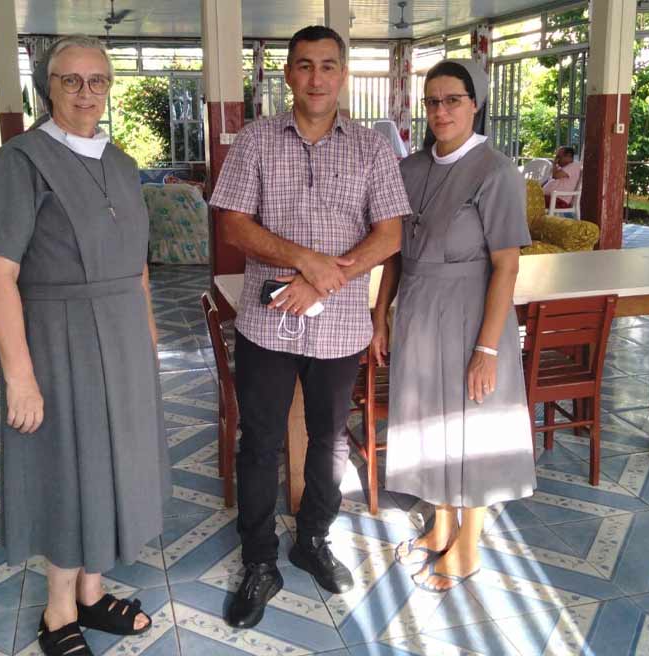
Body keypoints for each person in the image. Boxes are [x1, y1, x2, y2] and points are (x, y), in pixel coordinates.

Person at [210, 25, 411, 628]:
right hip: (267, 324)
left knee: (330, 441)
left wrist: (323, 279)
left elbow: (390, 234)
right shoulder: (256, 139)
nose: (316, 78)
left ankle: (313, 539)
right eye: (304, 65)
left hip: (340, 326)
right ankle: (259, 561)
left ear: (343, 75)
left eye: (328, 66)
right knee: (260, 442)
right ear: (288, 74)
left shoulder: (372, 148)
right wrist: (304, 260)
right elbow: (233, 224)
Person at [0, 35, 169, 656]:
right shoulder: (20, 162)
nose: (86, 93)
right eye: (70, 80)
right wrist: (20, 376)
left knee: (112, 465)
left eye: (98, 80)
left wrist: (147, 333)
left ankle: (91, 592)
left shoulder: (121, 162)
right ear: (48, 87)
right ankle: (58, 612)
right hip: (59, 341)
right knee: (69, 468)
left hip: (123, 336)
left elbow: (137, 263)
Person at [372, 60, 537, 593]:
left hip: (471, 315)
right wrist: (381, 316)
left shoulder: (496, 171)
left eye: (452, 100)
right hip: (418, 312)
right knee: (431, 422)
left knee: (472, 427)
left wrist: (486, 350)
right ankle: (442, 525)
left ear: (475, 104)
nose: (440, 111)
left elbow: (506, 265)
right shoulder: (411, 168)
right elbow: (395, 253)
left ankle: (469, 546)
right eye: (432, 101)